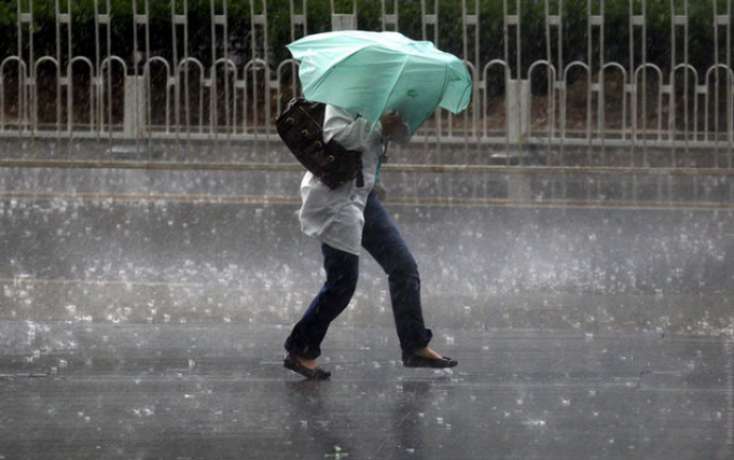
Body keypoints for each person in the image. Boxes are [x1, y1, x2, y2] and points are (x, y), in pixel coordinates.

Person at [283, 104, 457, 380]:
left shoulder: (381, 97)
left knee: (403, 268)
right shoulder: (345, 95)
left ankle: (415, 346)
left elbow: (389, 140)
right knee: (341, 284)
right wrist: (378, 127)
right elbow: (336, 136)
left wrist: (396, 127)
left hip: (364, 197)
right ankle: (301, 349)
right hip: (337, 198)